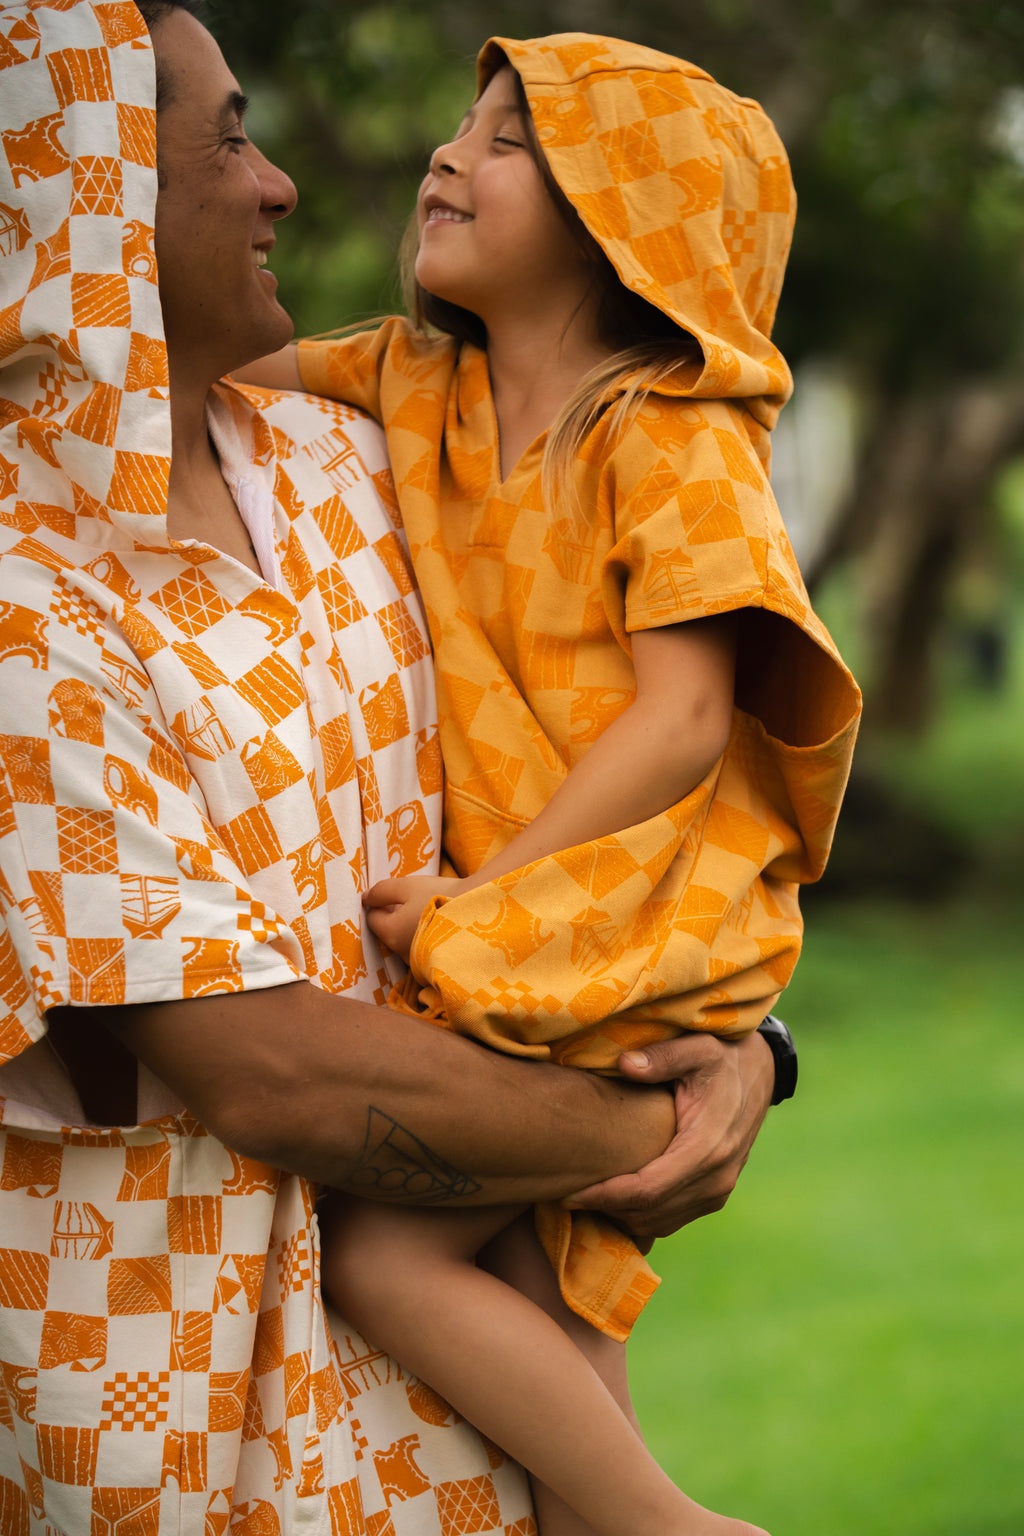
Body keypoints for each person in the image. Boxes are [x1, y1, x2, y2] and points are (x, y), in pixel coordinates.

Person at [0, 4, 782, 1532]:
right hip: (186, 1427)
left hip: (449, 1447)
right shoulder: (25, 590)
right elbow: (279, 1076)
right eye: (228, 135)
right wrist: (659, 1122)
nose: (285, 184)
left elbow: (600, 722)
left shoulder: (356, 459)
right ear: (79, 186)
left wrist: (745, 1041)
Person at [239, 31, 861, 1536]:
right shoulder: (409, 387)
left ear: (627, 211)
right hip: (520, 937)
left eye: (514, 139)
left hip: (620, 915)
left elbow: (683, 720)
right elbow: (195, 356)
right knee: (542, 1298)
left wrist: (487, 895)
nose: (450, 152)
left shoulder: (664, 436)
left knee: (388, 1257)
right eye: (464, 124)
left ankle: (678, 1530)